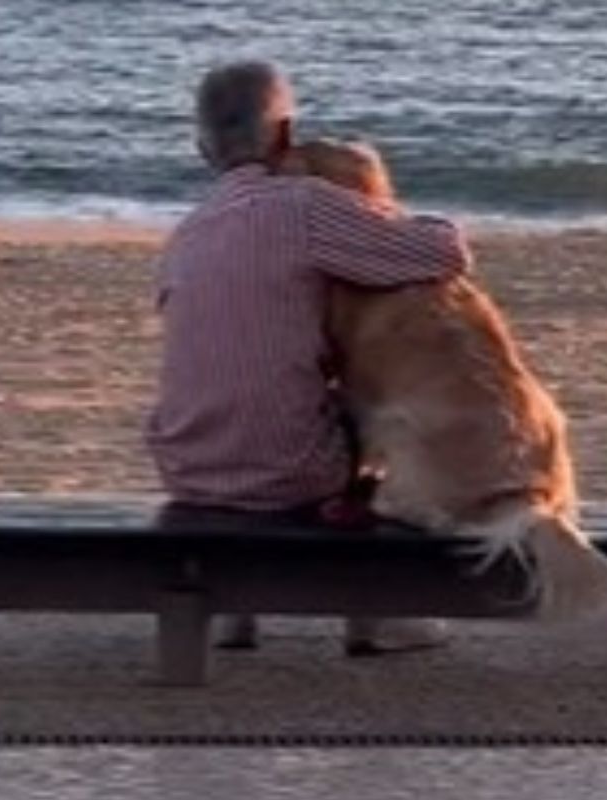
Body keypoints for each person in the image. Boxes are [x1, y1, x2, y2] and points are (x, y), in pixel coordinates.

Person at [144, 61, 472, 651]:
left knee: (260, 375)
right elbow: (442, 254)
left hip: (187, 468)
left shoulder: (186, 234)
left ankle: (233, 610)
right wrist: (408, 214)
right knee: (379, 416)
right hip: (290, 471)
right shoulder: (303, 206)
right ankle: (376, 614)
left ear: (201, 149)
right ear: (287, 134)